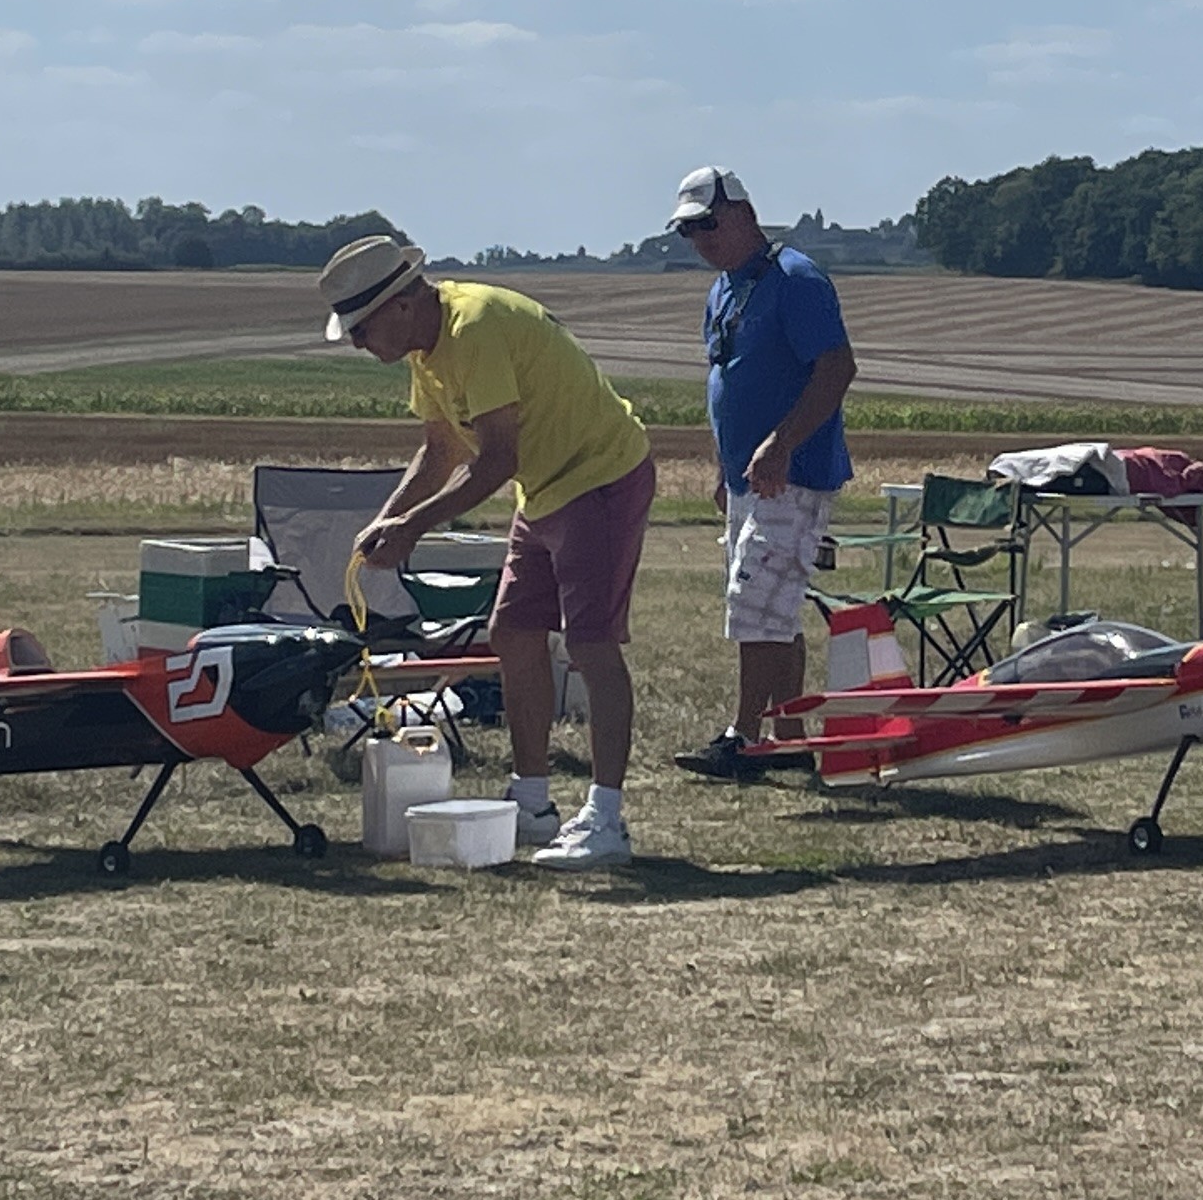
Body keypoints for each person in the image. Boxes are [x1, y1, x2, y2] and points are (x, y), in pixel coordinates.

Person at [322, 234, 657, 866]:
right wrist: (386, 520)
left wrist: (414, 528)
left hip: (600, 475)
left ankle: (606, 819)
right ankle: (531, 803)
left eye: (361, 330)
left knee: (591, 645)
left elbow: (496, 458)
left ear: (397, 305)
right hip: (545, 488)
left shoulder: (473, 327)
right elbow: (442, 450)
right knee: (514, 631)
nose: (361, 345)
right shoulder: (427, 349)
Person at [664, 166, 858, 781]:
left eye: (709, 225)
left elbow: (835, 369)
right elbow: (728, 376)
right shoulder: (723, 289)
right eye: (689, 231)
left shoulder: (795, 280)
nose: (701, 239)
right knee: (776, 607)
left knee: (755, 605)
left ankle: (743, 738)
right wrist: (726, 465)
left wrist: (780, 445)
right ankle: (790, 737)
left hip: (792, 474)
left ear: (745, 214)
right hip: (748, 477)